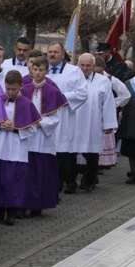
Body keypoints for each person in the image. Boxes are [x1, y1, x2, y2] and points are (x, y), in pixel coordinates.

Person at [0, 70, 41, 225]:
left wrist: (15, 128)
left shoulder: (27, 104)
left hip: (16, 149)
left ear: (21, 86)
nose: (10, 92)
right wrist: (0, 125)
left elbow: (33, 128)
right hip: (0, 147)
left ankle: (12, 211)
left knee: (14, 181)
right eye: (7, 88)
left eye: (14, 89)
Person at [21, 56, 67, 216]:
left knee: (41, 171)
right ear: (31, 70)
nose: (38, 73)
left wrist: (39, 123)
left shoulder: (52, 91)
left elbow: (55, 117)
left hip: (43, 137)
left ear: (47, 71)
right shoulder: (24, 89)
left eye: (41, 70)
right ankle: (24, 202)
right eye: (35, 69)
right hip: (27, 136)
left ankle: (38, 204)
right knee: (27, 171)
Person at [69, 53, 117, 192]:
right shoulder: (71, 79)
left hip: (92, 123)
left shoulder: (103, 81)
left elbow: (108, 103)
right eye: (82, 65)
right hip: (73, 122)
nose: (85, 68)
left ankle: (89, 180)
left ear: (93, 66)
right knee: (70, 154)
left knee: (91, 155)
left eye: (88, 65)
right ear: (78, 65)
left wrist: (108, 124)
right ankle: (70, 182)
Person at [46, 42, 88, 193]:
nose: (52, 55)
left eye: (56, 52)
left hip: (64, 116)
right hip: (45, 117)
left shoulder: (74, 71)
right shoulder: (41, 70)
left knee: (64, 151)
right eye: (50, 52)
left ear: (63, 55)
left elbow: (83, 93)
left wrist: (62, 98)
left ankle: (64, 182)